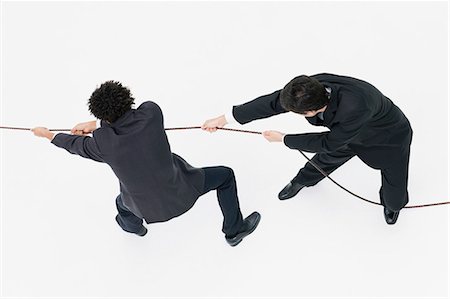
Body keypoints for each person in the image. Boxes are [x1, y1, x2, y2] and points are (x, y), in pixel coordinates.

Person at [32, 81, 260, 246]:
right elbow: (134, 114)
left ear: (105, 118)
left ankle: (135, 228)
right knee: (226, 176)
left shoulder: (103, 143)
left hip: (142, 207)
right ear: (127, 99)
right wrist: (97, 124)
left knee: (122, 204)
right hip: (185, 191)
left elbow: (76, 145)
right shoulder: (152, 113)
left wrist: (49, 135)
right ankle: (233, 230)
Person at [203, 73, 412, 225]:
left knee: (394, 182)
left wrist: (284, 139)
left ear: (311, 111)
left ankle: (393, 205)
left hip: (386, 138)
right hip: (344, 134)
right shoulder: (313, 87)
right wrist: (225, 119)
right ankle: (302, 181)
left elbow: (328, 143)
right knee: (323, 160)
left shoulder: (356, 106)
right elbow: (274, 102)